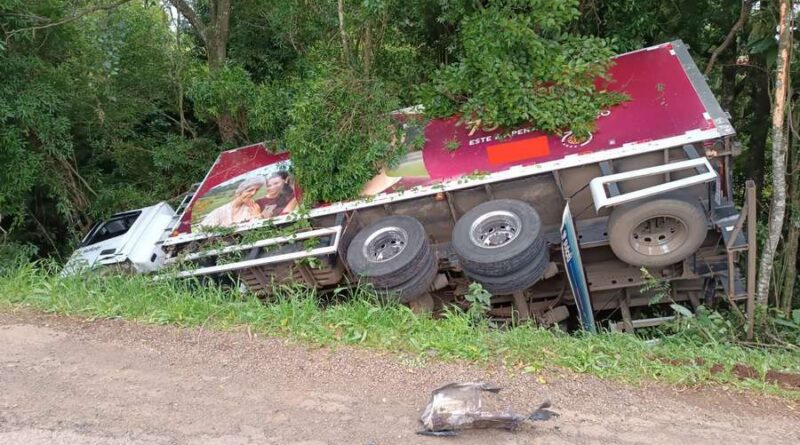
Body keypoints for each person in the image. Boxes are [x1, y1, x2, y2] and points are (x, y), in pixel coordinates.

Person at [199, 176, 265, 228]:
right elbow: (204, 230)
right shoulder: (219, 211)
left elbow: (256, 229)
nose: (253, 193)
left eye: (257, 190)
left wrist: (257, 215)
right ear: (240, 191)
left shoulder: (253, 208)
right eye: (250, 190)